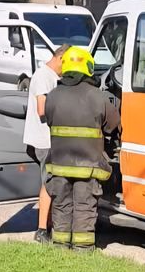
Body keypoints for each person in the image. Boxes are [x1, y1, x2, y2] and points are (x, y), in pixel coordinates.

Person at [42, 46, 120, 250]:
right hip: (88, 166)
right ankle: (83, 250)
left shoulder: (52, 95)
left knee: (61, 206)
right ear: (88, 67)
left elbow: (48, 120)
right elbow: (113, 126)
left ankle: (59, 246)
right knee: (84, 207)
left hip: (59, 165)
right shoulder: (98, 97)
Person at [23, 44, 70, 243]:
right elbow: (42, 109)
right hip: (44, 140)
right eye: (66, 64)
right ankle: (42, 230)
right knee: (49, 183)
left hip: (49, 139)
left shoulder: (53, 77)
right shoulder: (43, 76)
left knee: (49, 181)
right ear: (60, 57)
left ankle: (47, 226)